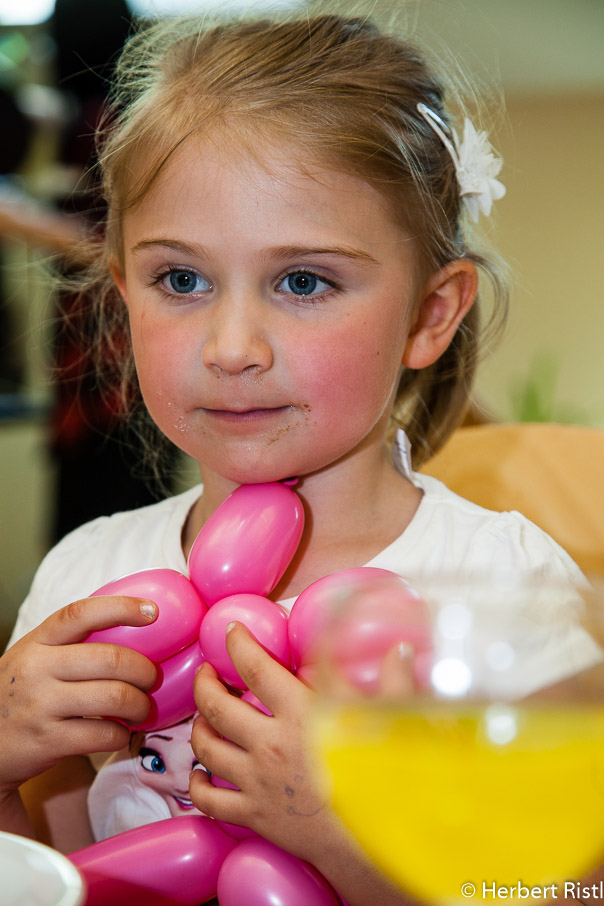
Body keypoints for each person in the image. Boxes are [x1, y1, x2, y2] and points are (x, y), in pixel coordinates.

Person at [0, 11, 600, 904]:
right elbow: (49, 874)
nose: (231, 345)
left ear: (432, 315)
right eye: (182, 280)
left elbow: (563, 894)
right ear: (124, 296)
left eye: (303, 281)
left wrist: (348, 831)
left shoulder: (508, 586)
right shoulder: (88, 577)